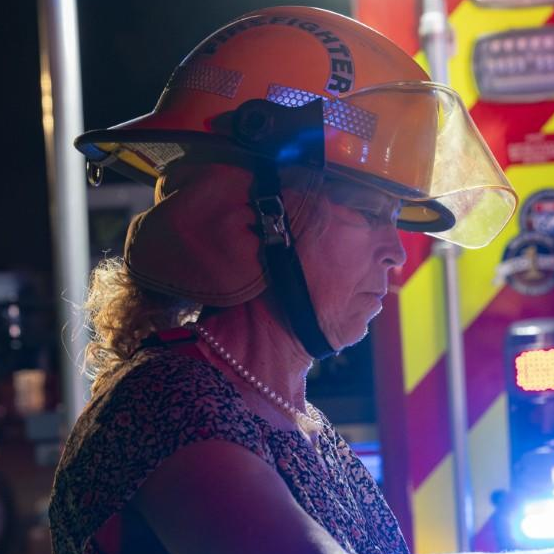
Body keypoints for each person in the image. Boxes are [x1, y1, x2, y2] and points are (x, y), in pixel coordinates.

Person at [48, 6, 518, 554]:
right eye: (368, 213)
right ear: (258, 216)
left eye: (396, 219)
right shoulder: (168, 404)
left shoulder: (304, 427)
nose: (395, 253)